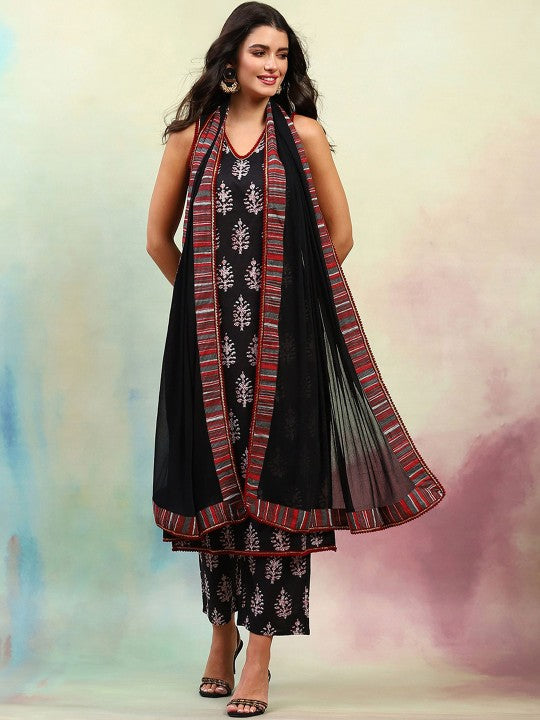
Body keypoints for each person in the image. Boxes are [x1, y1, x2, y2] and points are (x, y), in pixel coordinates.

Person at [146, 2, 445, 717]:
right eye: (260, 52)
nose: (273, 65)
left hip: (287, 349)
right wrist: (206, 303)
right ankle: (221, 635)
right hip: (207, 349)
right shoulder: (189, 140)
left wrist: (287, 301)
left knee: (281, 490)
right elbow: (159, 240)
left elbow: (340, 234)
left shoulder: (303, 135)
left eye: (282, 54)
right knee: (214, 489)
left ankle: (261, 657)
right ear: (230, 59)